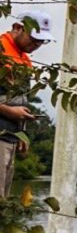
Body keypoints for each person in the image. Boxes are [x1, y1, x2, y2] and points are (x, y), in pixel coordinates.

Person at [0, 11, 54, 197]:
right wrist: (9, 112)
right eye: (33, 39)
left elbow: (20, 102)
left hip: (10, 138)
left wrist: (22, 134)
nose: (36, 45)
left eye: (41, 41)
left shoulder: (24, 59)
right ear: (17, 28)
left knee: (3, 202)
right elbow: (11, 107)